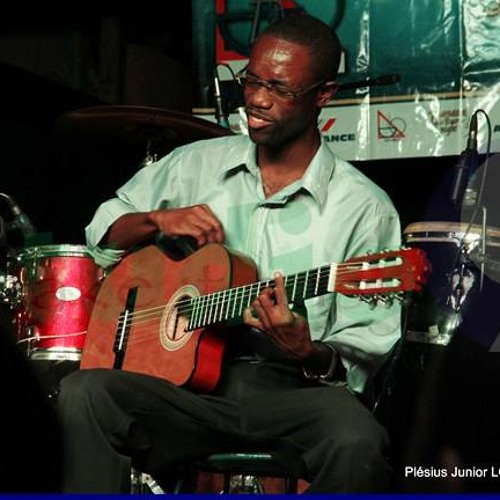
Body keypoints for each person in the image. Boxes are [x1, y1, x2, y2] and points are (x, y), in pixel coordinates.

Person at [56, 13, 402, 493]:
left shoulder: (365, 208)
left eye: (279, 88)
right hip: (186, 392)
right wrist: (157, 220)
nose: (257, 99)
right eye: (252, 80)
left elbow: (367, 351)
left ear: (323, 94)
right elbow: (103, 234)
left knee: (358, 440)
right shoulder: (193, 164)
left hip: (292, 393)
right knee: (82, 394)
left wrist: (307, 350)